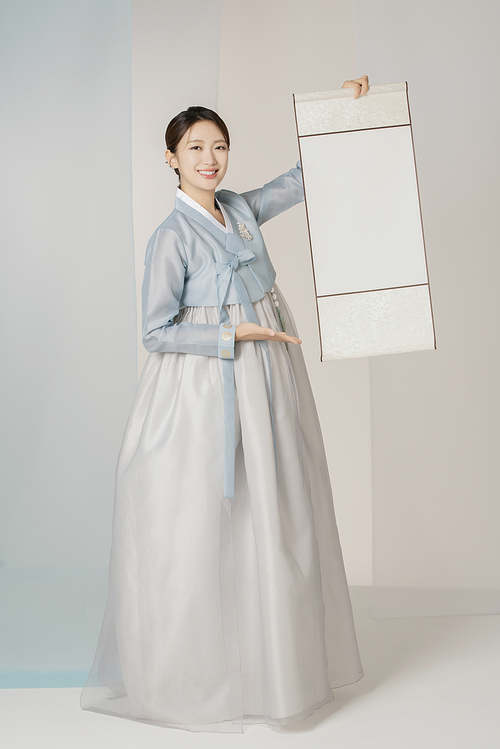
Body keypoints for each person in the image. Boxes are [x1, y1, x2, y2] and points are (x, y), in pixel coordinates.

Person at [80, 76, 369, 734]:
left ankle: (273, 661)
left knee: (274, 509)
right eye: (195, 148)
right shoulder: (171, 238)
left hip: (270, 373)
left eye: (218, 146)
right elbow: (155, 332)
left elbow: (299, 183)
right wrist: (230, 333)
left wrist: (341, 111)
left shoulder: (238, 207)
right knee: (214, 515)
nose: (209, 159)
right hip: (209, 385)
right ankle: (206, 668)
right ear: (171, 158)